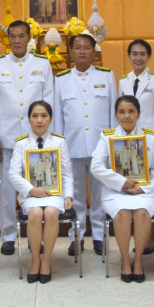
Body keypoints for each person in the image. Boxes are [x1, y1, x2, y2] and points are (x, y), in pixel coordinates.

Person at [0, 20, 54, 255]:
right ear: (8, 39)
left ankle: (39, 234)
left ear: (29, 38)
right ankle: (8, 235)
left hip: (37, 137)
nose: (16, 40)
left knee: (38, 185)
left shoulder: (42, 64)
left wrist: (49, 135)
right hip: (8, 137)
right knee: (7, 189)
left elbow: (49, 100)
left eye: (21, 36)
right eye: (12, 36)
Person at [90, 96, 154, 283]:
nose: (127, 116)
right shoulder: (107, 137)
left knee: (141, 213)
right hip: (115, 191)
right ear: (116, 115)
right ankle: (125, 260)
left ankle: (138, 261)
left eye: (131, 111)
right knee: (122, 213)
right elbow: (96, 167)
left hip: (144, 191)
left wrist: (144, 188)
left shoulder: (150, 137)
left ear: (138, 114)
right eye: (122, 112)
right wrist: (121, 182)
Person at [54, 33, 116, 256]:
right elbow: (58, 118)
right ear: (71, 51)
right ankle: (76, 237)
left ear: (94, 51)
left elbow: (112, 115)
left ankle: (99, 236)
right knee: (75, 194)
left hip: (100, 146)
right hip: (72, 145)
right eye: (78, 48)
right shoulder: (61, 80)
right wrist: (59, 147)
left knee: (100, 193)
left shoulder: (107, 76)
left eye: (87, 48)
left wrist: (111, 146)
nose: (82, 51)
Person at [9, 101, 73, 283]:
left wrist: (68, 195)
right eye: (35, 116)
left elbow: (67, 173)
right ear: (29, 119)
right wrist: (31, 190)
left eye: (44, 116)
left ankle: (46, 261)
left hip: (54, 194)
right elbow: (13, 174)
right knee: (36, 214)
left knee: (51, 212)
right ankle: (35, 260)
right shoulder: (21, 143)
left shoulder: (59, 142)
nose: (39, 120)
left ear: (51, 119)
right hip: (30, 195)